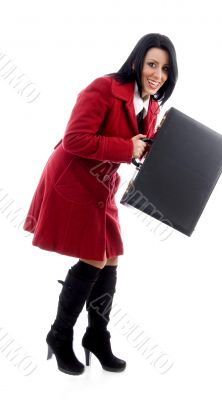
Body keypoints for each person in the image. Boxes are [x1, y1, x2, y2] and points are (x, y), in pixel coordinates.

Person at [23, 33, 178, 375]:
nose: (158, 73)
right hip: (74, 177)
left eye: (165, 68)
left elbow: (136, 147)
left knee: (112, 256)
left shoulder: (151, 105)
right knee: (94, 255)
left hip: (103, 183)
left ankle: (96, 336)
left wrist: (157, 146)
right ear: (137, 62)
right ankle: (59, 335)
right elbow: (76, 138)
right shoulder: (103, 88)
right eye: (152, 64)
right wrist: (128, 148)